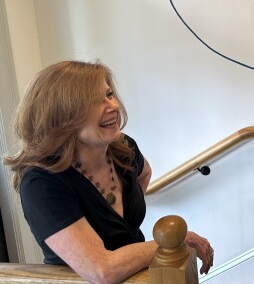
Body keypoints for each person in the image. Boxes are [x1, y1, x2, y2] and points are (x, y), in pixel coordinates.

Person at [4, 60, 214, 284]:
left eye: (109, 94)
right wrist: (175, 244)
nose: (112, 105)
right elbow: (102, 270)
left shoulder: (123, 148)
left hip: (141, 277)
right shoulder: (41, 182)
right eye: (95, 101)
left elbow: (145, 173)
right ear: (62, 118)